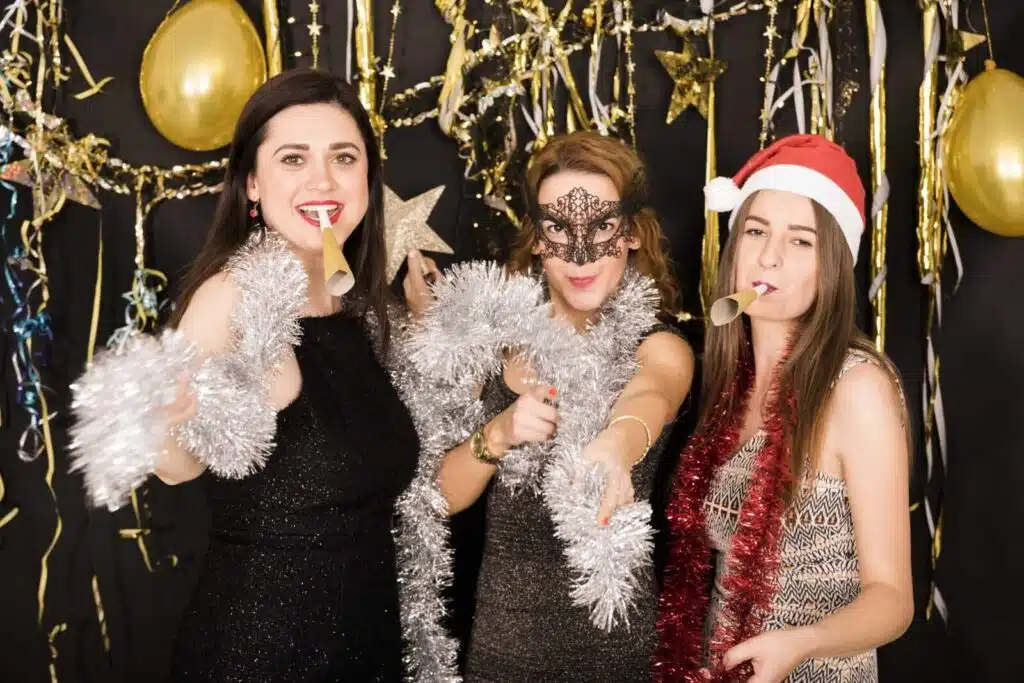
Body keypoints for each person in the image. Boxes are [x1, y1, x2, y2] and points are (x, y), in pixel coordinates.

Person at [69, 68, 424, 682]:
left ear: (367, 177)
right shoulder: (231, 298)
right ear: (253, 184)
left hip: (367, 647)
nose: (323, 179)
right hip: (263, 653)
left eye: (344, 156)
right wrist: (171, 412)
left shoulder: (356, 311)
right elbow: (177, 465)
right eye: (294, 158)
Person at [404, 130, 695, 682]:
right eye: (560, 229)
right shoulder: (495, 350)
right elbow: (437, 497)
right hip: (499, 661)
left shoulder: (657, 347)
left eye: (601, 226)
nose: (580, 254)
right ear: (537, 240)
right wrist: (500, 432)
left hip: (619, 663)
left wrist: (614, 444)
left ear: (631, 233)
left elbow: (650, 395)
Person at [654, 134, 913, 683]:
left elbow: (892, 599)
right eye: (755, 231)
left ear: (831, 268)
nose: (769, 255)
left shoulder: (856, 388)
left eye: (801, 241)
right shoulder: (729, 385)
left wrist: (805, 642)